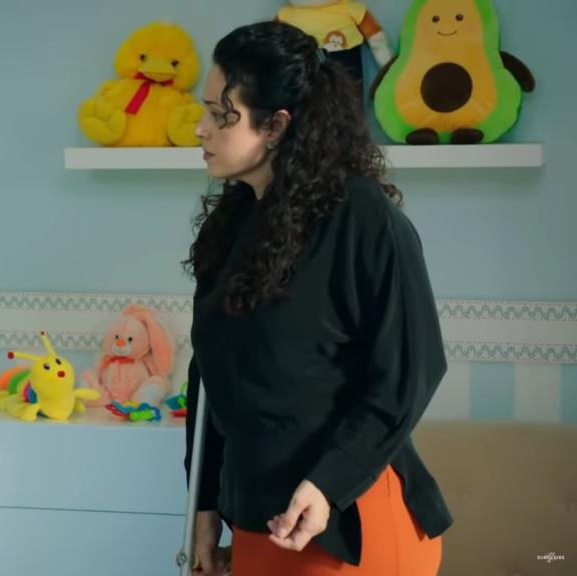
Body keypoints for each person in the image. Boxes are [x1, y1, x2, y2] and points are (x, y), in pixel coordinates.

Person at [183, 21, 452, 575]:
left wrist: (328, 484)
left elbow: (411, 371)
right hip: (260, 515)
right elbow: (209, 374)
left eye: (220, 114)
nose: (200, 129)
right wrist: (204, 503)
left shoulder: (363, 219)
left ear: (276, 125)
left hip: (344, 514)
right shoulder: (229, 226)